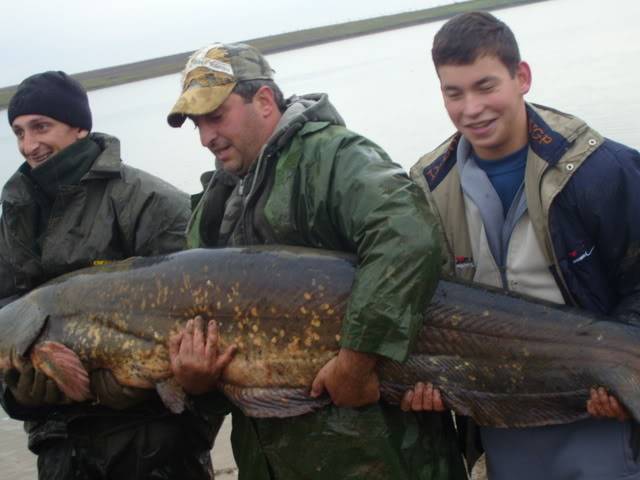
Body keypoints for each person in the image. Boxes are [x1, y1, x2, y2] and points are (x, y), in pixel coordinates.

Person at [165, 42, 467, 479]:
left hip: (376, 453)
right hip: (268, 458)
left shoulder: (335, 157)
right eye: (197, 124)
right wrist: (196, 382)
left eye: (217, 115)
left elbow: (407, 236)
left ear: (265, 101)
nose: (206, 136)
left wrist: (355, 362)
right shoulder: (215, 205)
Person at [405, 11, 640, 480]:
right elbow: (423, 301)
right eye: (455, 93)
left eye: (485, 86)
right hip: (501, 415)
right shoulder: (428, 186)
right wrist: (423, 382)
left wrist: (621, 372)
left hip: (597, 409)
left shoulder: (601, 169)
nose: (471, 108)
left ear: (522, 77)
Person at [0, 71, 216, 479]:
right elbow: (6, 317)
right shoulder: (15, 213)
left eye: (41, 127)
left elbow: (203, 313)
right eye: (18, 132)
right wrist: (19, 397)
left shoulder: (151, 201)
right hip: (58, 446)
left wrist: (120, 386)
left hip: (153, 445)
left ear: (80, 126)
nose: (29, 145)